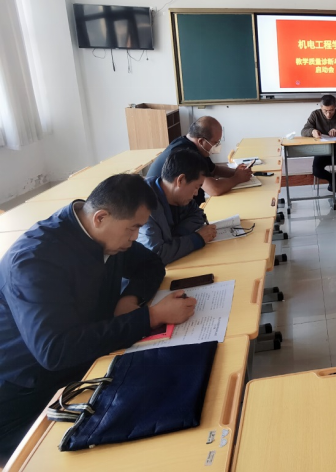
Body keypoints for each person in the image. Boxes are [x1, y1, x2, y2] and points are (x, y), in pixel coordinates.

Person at [0, 174, 197, 462]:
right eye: (133, 228)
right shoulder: (34, 261)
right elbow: (55, 350)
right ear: (101, 217)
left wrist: (129, 299)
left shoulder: (104, 234)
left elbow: (151, 264)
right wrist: (150, 316)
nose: (135, 238)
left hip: (86, 362)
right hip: (27, 394)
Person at [147, 116, 253, 206]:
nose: (217, 146)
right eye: (215, 142)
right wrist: (237, 178)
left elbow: (214, 170)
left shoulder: (194, 146)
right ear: (201, 141)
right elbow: (214, 189)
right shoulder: (185, 153)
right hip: (165, 208)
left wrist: (237, 172)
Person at [138, 150, 218, 265]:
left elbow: (198, 215)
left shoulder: (180, 196)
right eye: (196, 187)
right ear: (180, 180)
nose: (196, 193)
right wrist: (197, 239)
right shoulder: (145, 205)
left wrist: (176, 237)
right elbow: (155, 255)